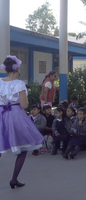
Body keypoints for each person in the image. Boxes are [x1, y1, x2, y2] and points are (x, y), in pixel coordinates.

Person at [0, 55, 45, 189]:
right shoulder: (19, 84)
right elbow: (24, 105)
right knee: (23, 147)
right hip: (15, 115)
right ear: (16, 68)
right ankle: (14, 179)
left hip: (1, 114)